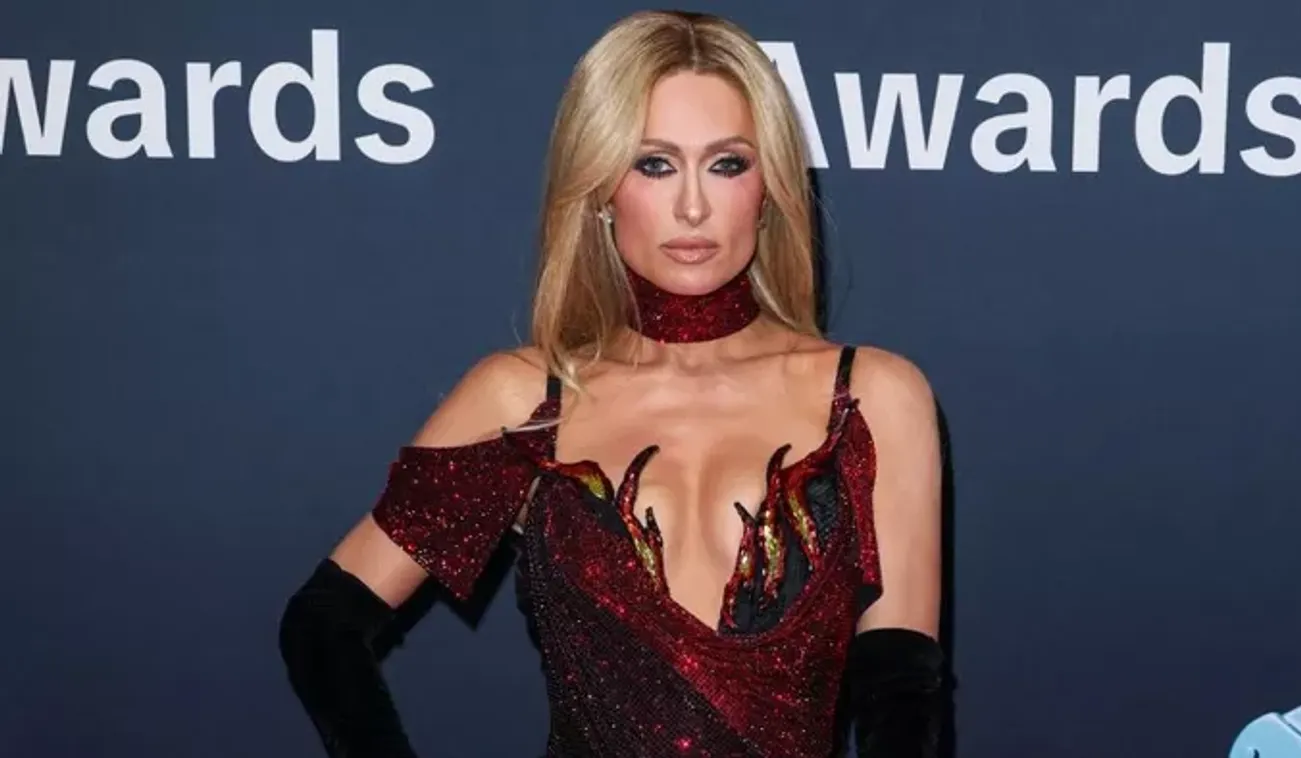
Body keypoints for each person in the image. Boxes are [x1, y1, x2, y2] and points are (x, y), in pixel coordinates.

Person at [278, 9, 946, 757]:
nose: (692, 206)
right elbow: (322, 626)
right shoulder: (525, 398)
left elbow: (900, 692)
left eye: (727, 164)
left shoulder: (871, 398)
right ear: (599, 188)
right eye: (653, 164)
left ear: (771, 189)